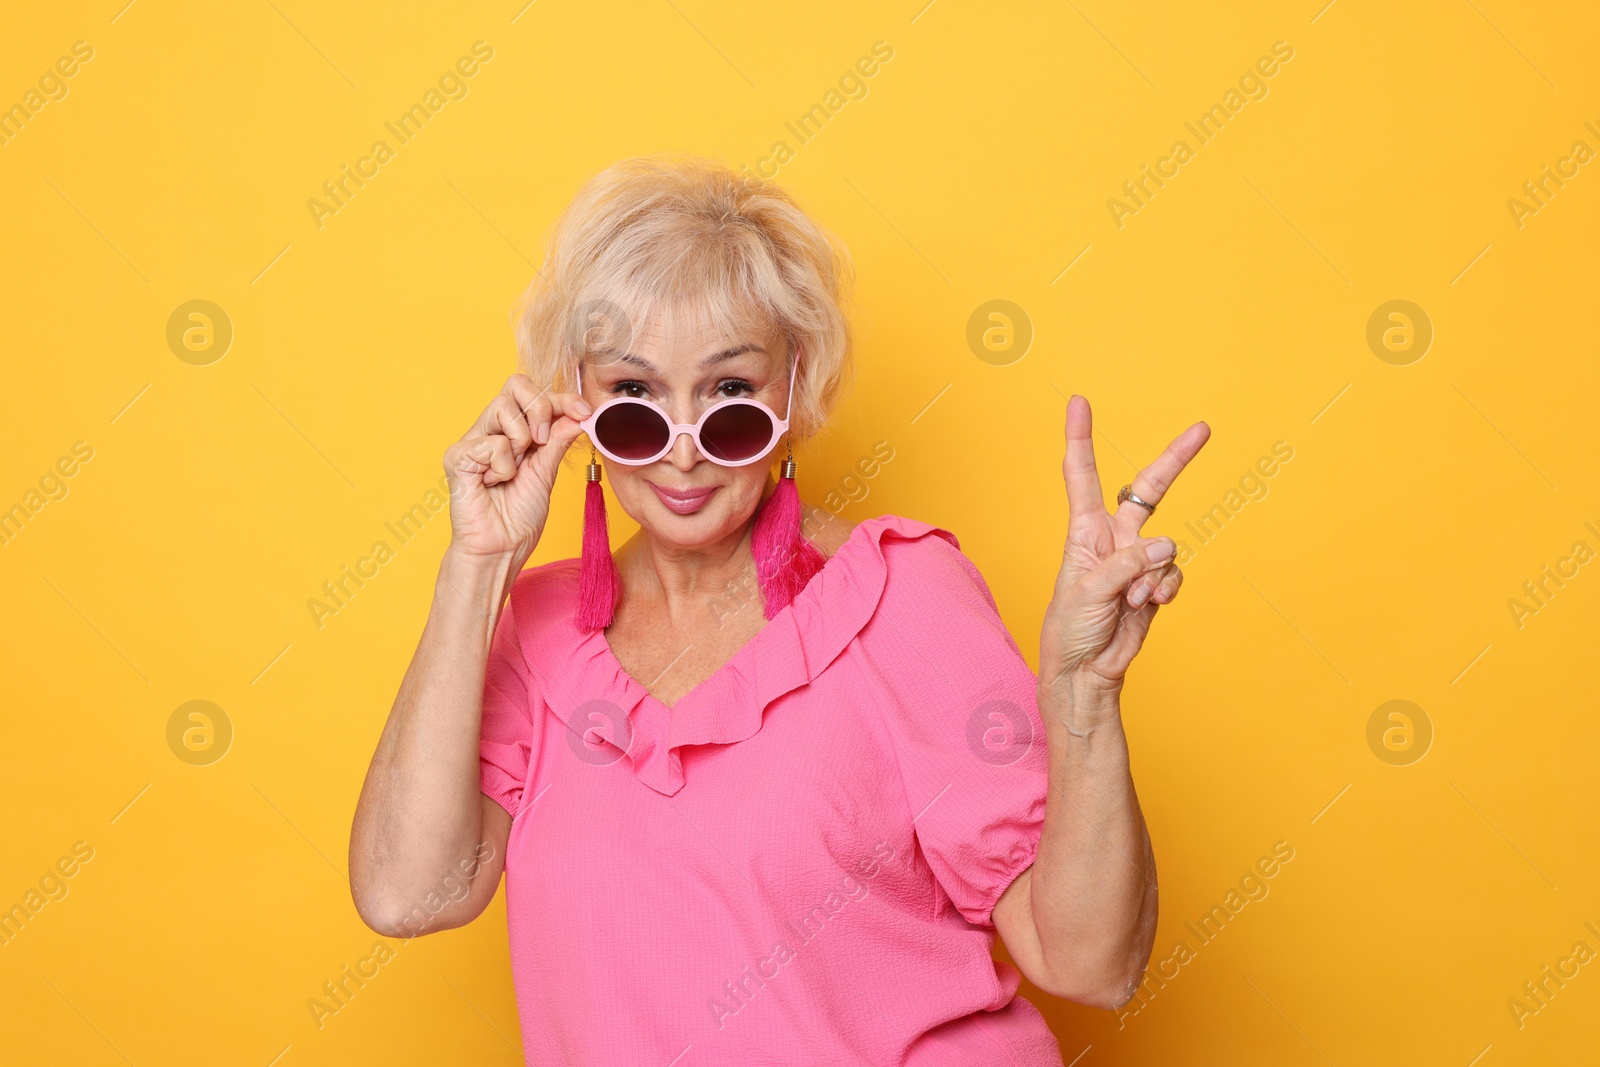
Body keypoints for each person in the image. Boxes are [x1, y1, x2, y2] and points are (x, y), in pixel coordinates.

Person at [349, 154, 1209, 1065]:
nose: (683, 453)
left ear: (794, 393)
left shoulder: (900, 597)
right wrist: (476, 566)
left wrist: (1083, 694)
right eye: (634, 398)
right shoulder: (538, 629)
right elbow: (408, 894)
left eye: (730, 397)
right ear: (576, 402)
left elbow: (1092, 963)